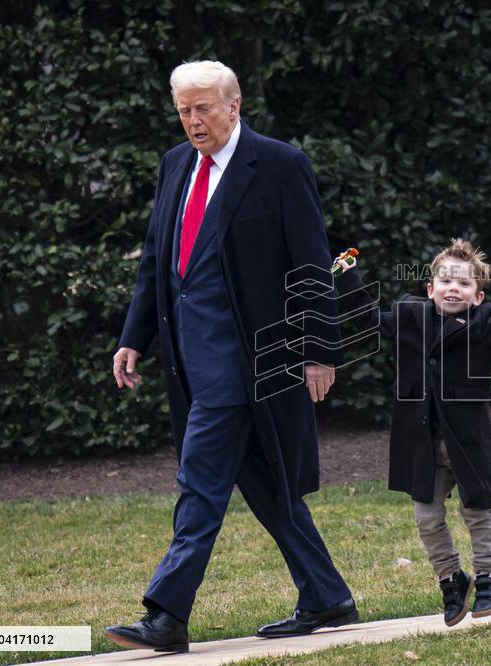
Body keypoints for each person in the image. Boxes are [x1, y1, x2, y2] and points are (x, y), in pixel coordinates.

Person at [105, 60, 356, 653]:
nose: (194, 121)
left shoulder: (278, 165)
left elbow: (312, 264)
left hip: (252, 361)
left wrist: (319, 349)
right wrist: (133, 337)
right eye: (184, 110)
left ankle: (166, 614)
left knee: (200, 482)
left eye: (204, 108)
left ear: (234, 104)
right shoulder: (174, 165)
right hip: (191, 360)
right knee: (266, 484)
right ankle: (326, 596)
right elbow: (155, 261)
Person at [334, 239, 491, 626]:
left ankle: (490, 577)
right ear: (430, 289)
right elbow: (368, 320)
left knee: (475, 509)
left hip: (464, 436)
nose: (453, 288)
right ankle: (451, 579)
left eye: (463, 284)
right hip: (420, 438)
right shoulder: (411, 316)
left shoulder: (484, 322)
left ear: (477, 297)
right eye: (445, 280)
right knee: (426, 517)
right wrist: (348, 278)